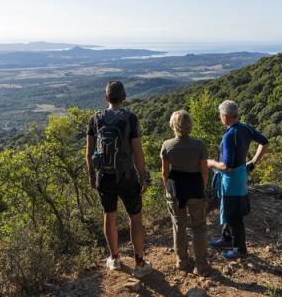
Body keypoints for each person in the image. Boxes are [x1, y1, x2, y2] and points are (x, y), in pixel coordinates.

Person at [86, 81, 153, 277]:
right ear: (124, 97)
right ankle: (139, 262)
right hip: (127, 176)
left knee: (109, 215)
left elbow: (89, 152)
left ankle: (114, 258)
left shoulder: (95, 119)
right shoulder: (130, 118)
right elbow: (138, 152)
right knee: (135, 217)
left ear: (106, 98)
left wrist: (91, 174)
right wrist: (144, 177)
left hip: (103, 176)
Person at [207, 100, 269, 259]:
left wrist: (211, 163)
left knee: (233, 215)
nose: (220, 117)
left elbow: (225, 166)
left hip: (231, 179)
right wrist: (253, 163)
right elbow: (265, 142)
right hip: (241, 174)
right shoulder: (245, 128)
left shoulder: (229, 136)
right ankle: (227, 238)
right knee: (229, 210)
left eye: (221, 115)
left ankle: (240, 249)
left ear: (226, 117)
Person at [160, 110, 211, 276]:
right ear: (190, 126)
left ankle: (182, 260)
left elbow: (164, 173)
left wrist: (168, 189)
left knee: (178, 225)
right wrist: (201, 189)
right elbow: (204, 171)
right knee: (199, 226)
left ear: (173, 126)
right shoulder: (199, 145)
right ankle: (201, 265)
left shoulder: (167, 145)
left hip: (175, 189)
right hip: (195, 187)